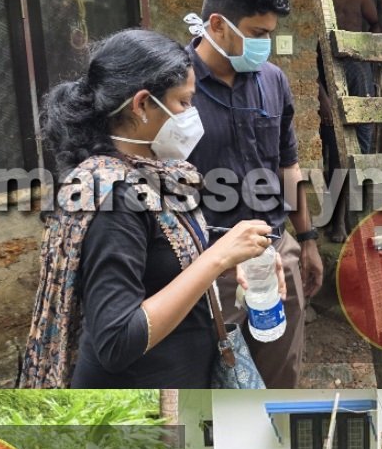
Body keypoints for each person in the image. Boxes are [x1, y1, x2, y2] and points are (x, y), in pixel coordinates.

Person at [20, 29, 275, 388]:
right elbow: (117, 340)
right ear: (141, 105)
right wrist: (216, 258)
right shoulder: (112, 199)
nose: (192, 115)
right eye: (183, 102)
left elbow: (162, 248)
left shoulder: (154, 173)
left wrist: (239, 252)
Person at [185, 0, 324, 388]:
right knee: (216, 377)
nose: (266, 43)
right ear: (218, 25)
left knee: (280, 373)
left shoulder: (273, 80)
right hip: (208, 260)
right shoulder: (175, 85)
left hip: (274, 251)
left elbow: (288, 165)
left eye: (269, 32)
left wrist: (307, 239)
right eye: (258, 33)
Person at [322, 0, 379, 155]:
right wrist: (320, 93)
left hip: (358, 67)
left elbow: (375, 22)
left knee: (364, 123)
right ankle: (339, 181)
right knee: (333, 130)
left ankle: (359, 177)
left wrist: (368, 52)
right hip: (328, 68)